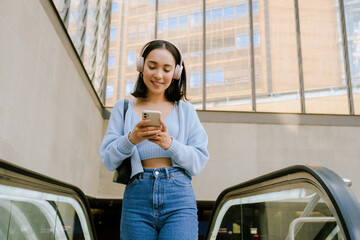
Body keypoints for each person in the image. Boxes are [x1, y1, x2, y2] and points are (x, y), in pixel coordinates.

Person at [99, 39, 209, 239]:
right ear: (141, 67)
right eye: (152, 66)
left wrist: (171, 145)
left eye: (167, 69)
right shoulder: (123, 108)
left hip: (178, 195)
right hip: (137, 195)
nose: (159, 75)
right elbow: (108, 159)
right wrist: (130, 139)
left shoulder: (185, 110)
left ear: (176, 73)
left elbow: (199, 160)